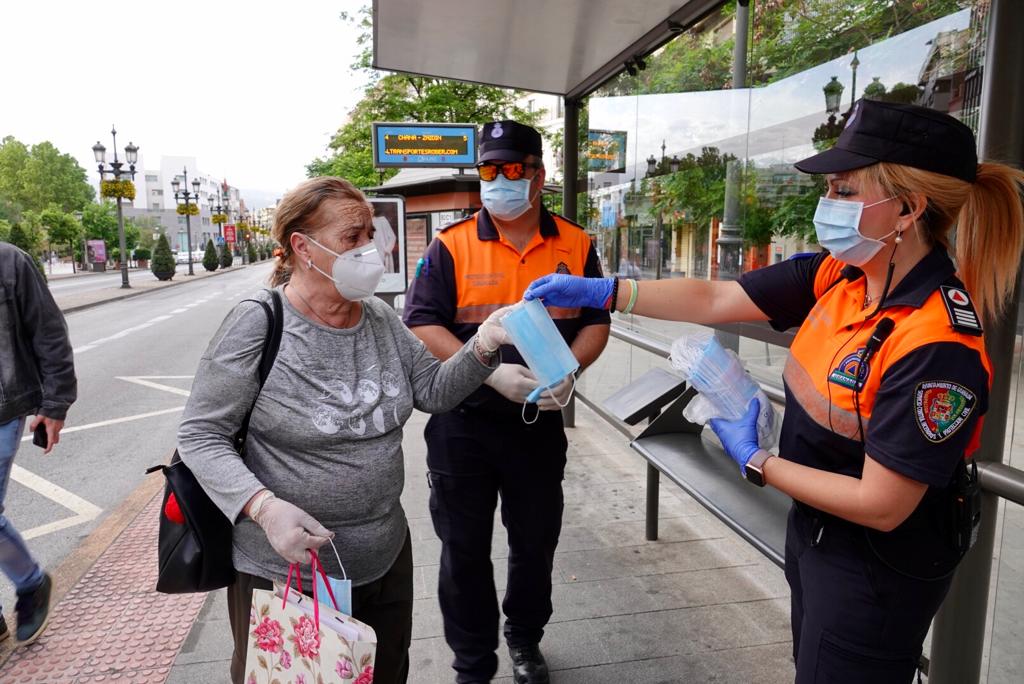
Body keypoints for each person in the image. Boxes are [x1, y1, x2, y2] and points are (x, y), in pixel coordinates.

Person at [524, 99, 1024, 683]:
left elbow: (882, 505)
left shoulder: (937, 341)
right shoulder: (843, 275)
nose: (827, 204)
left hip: (876, 570)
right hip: (814, 532)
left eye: (844, 189)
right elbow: (715, 300)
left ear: (908, 209)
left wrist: (757, 460)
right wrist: (605, 292)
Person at [177, 177, 510, 684]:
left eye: (369, 236)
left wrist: (484, 346)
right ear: (301, 247)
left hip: (384, 559)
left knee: (383, 675)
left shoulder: (378, 316)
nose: (368, 250)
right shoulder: (259, 323)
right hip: (287, 573)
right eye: (351, 238)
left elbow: (434, 391)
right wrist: (263, 509)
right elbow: (201, 435)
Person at [402, 120, 610, 684]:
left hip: (537, 422)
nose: (497, 180)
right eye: (488, 170)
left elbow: (596, 320)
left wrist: (571, 371)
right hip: (463, 425)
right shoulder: (452, 244)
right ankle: (473, 663)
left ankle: (524, 639)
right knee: (463, 549)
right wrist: (486, 375)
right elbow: (420, 321)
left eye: (511, 169)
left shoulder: (576, 243)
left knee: (535, 540)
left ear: (538, 176)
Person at [0, 242, 77, 645]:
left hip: (3, 408)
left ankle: (30, 584)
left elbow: (48, 332)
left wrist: (56, 403)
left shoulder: (9, 261)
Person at [372, 204, 398, 273]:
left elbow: (393, 237)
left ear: (373, 210)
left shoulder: (382, 221)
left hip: (382, 253)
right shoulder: (364, 223)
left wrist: (386, 250)